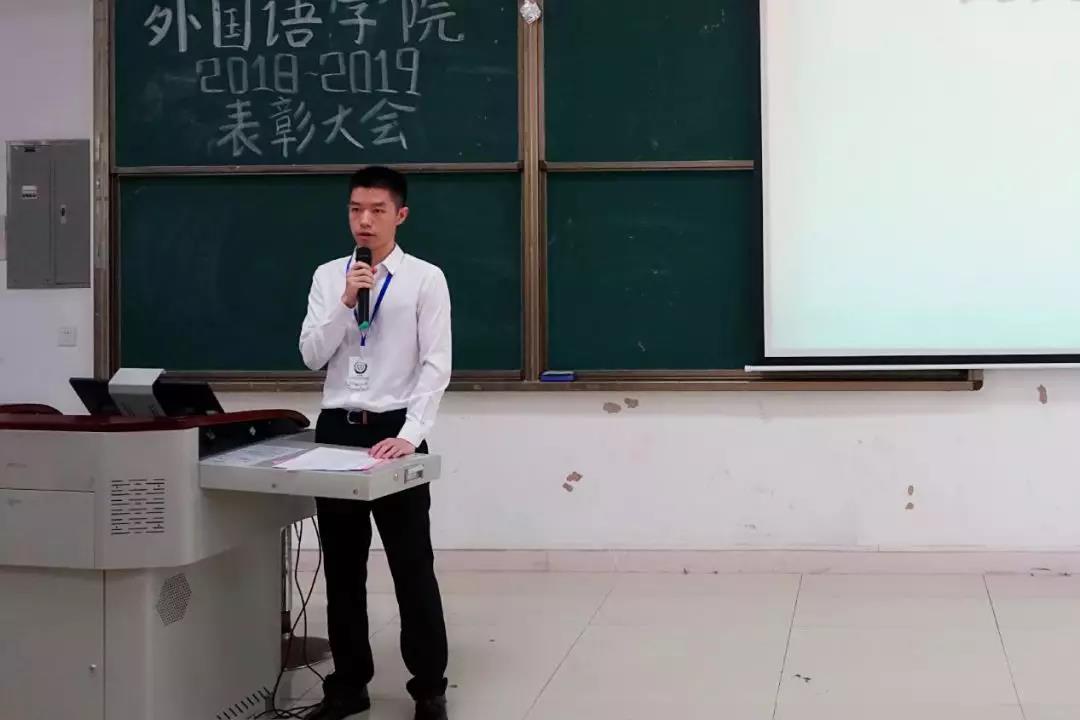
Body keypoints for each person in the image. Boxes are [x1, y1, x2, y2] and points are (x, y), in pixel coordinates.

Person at [298, 166, 452, 720]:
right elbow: (311, 355)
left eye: (377, 210)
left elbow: (436, 365)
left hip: (396, 431)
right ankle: (349, 684)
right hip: (338, 430)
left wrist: (410, 435)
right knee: (342, 567)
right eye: (355, 209)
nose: (364, 220)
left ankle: (428, 687)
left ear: (400, 215)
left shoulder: (425, 279)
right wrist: (345, 302)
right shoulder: (328, 277)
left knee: (412, 565)